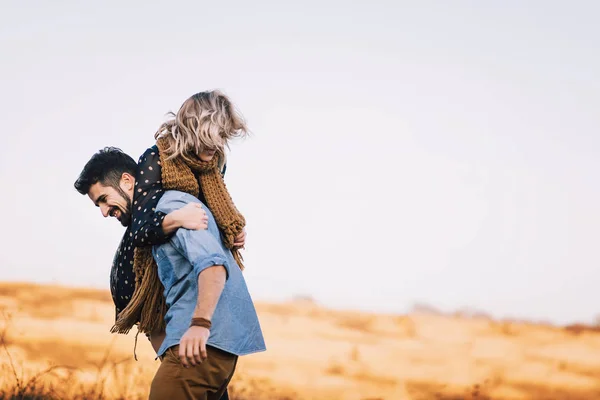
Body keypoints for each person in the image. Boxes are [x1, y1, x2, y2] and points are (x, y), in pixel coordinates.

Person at [74, 147, 265, 399]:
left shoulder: (171, 205)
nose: (104, 211)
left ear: (127, 181)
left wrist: (200, 324)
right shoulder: (149, 225)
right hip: (193, 347)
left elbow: (214, 266)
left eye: (103, 199)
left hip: (198, 344)